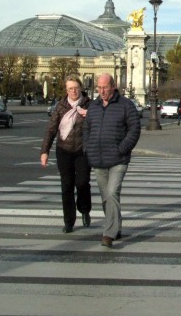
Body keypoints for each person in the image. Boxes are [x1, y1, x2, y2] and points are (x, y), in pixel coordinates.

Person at [82, 73, 141, 248]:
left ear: (113, 87)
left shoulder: (126, 105)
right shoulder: (93, 106)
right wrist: (88, 147)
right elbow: (86, 128)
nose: (101, 91)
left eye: (105, 87)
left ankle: (108, 234)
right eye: (99, 88)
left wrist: (121, 149)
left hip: (118, 159)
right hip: (98, 159)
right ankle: (116, 226)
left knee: (112, 192)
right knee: (106, 197)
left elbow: (134, 129)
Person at [40, 75, 92, 233]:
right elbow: (51, 129)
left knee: (82, 183)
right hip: (64, 151)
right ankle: (69, 221)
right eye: (70, 88)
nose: (74, 91)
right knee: (67, 186)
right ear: (66, 90)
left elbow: (97, 124)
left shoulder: (90, 105)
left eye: (76, 87)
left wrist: (89, 114)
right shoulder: (61, 106)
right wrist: (44, 151)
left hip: (83, 151)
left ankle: (84, 209)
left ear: (81, 88)